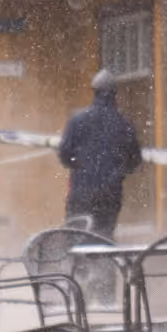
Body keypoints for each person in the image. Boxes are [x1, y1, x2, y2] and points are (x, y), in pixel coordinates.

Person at [56, 71, 143, 237]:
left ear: (94, 91)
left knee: (76, 236)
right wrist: (117, 173)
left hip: (81, 192)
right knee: (104, 237)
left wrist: (81, 168)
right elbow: (135, 160)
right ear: (115, 94)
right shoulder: (124, 124)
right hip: (109, 194)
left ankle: (77, 262)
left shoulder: (77, 120)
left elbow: (65, 154)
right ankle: (102, 262)